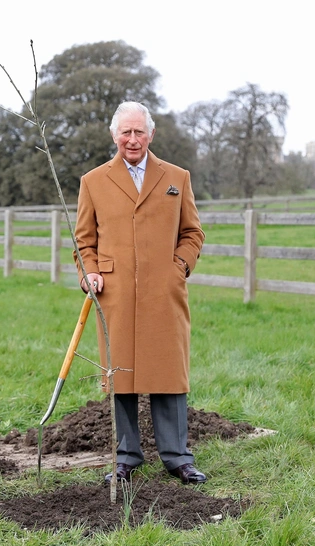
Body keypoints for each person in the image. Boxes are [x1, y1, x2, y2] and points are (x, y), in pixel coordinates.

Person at [74, 101, 207, 485]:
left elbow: (193, 233)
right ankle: (126, 457)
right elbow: (83, 242)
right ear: (114, 135)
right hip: (114, 294)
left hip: (164, 293)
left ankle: (178, 457)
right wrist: (92, 274)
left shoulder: (176, 177)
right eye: (125, 132)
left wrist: (178, 267)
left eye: (139, 132)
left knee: (168, 372)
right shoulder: (93, 181)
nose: (132, 139)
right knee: (122, 374)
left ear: (151, 134)